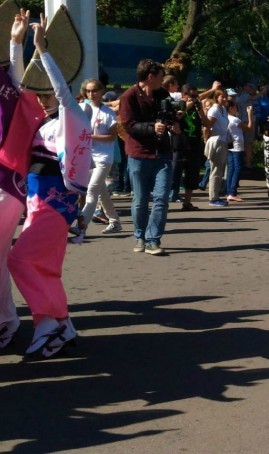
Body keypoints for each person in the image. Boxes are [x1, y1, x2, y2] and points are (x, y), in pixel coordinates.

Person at [4, 10, 92, 357]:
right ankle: (62, 324)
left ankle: (49, 322)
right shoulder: (40, 119)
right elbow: (17, 85)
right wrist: (16, 43)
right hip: (39, 200)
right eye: (39, 95)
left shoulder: (72, 115)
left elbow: (61, 93)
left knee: (20, 261)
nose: (42, 98)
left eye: (48, 94)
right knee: (45, 266)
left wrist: (43, 51)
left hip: (55, 202)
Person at [119, 58, 179, 255]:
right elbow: (129, 125)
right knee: (140, 199)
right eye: (161, 76)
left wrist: (175, 120)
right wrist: (152, 127)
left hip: (162, 153)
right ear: (151, 77)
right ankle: (140, 237)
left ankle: (154, 239)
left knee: (161, 198)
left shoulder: (162, 94)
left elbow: (170, 113)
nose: (163, 80)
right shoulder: (129, 96)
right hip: (138, 154)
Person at [76, 78, 121, 236]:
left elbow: (112, 137)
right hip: (87, 157)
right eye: (88, 91)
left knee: (92, 189)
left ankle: (82, 224)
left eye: (94, 90)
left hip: (104, 157)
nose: (91, 94)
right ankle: (115, 221)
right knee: (102, 192)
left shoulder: (108, 113)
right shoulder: (82, 109)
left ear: (101, 91)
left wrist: (91, 136)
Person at [203, 88, 230, 207]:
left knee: (220, 170)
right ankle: (213, 198)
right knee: (215, 170)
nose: (224, 99)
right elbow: (207, 126)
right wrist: (206, 140)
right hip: (216, 140)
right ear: (216, 97)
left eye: (225, 96)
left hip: (223, 141)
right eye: (221, 96)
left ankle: (216, 196)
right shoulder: (214, 110)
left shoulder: (223, 109)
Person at [225, 101, 253, 202]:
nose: (236, 109)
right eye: (235, 107)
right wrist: (250, 114)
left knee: (231, 169)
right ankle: (232, 192)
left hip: (229, 145)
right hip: (237, 145)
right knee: (238, 168)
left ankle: (229, 191)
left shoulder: (225, 118)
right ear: (231, 108)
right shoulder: (235, 119)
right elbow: (249, 128)